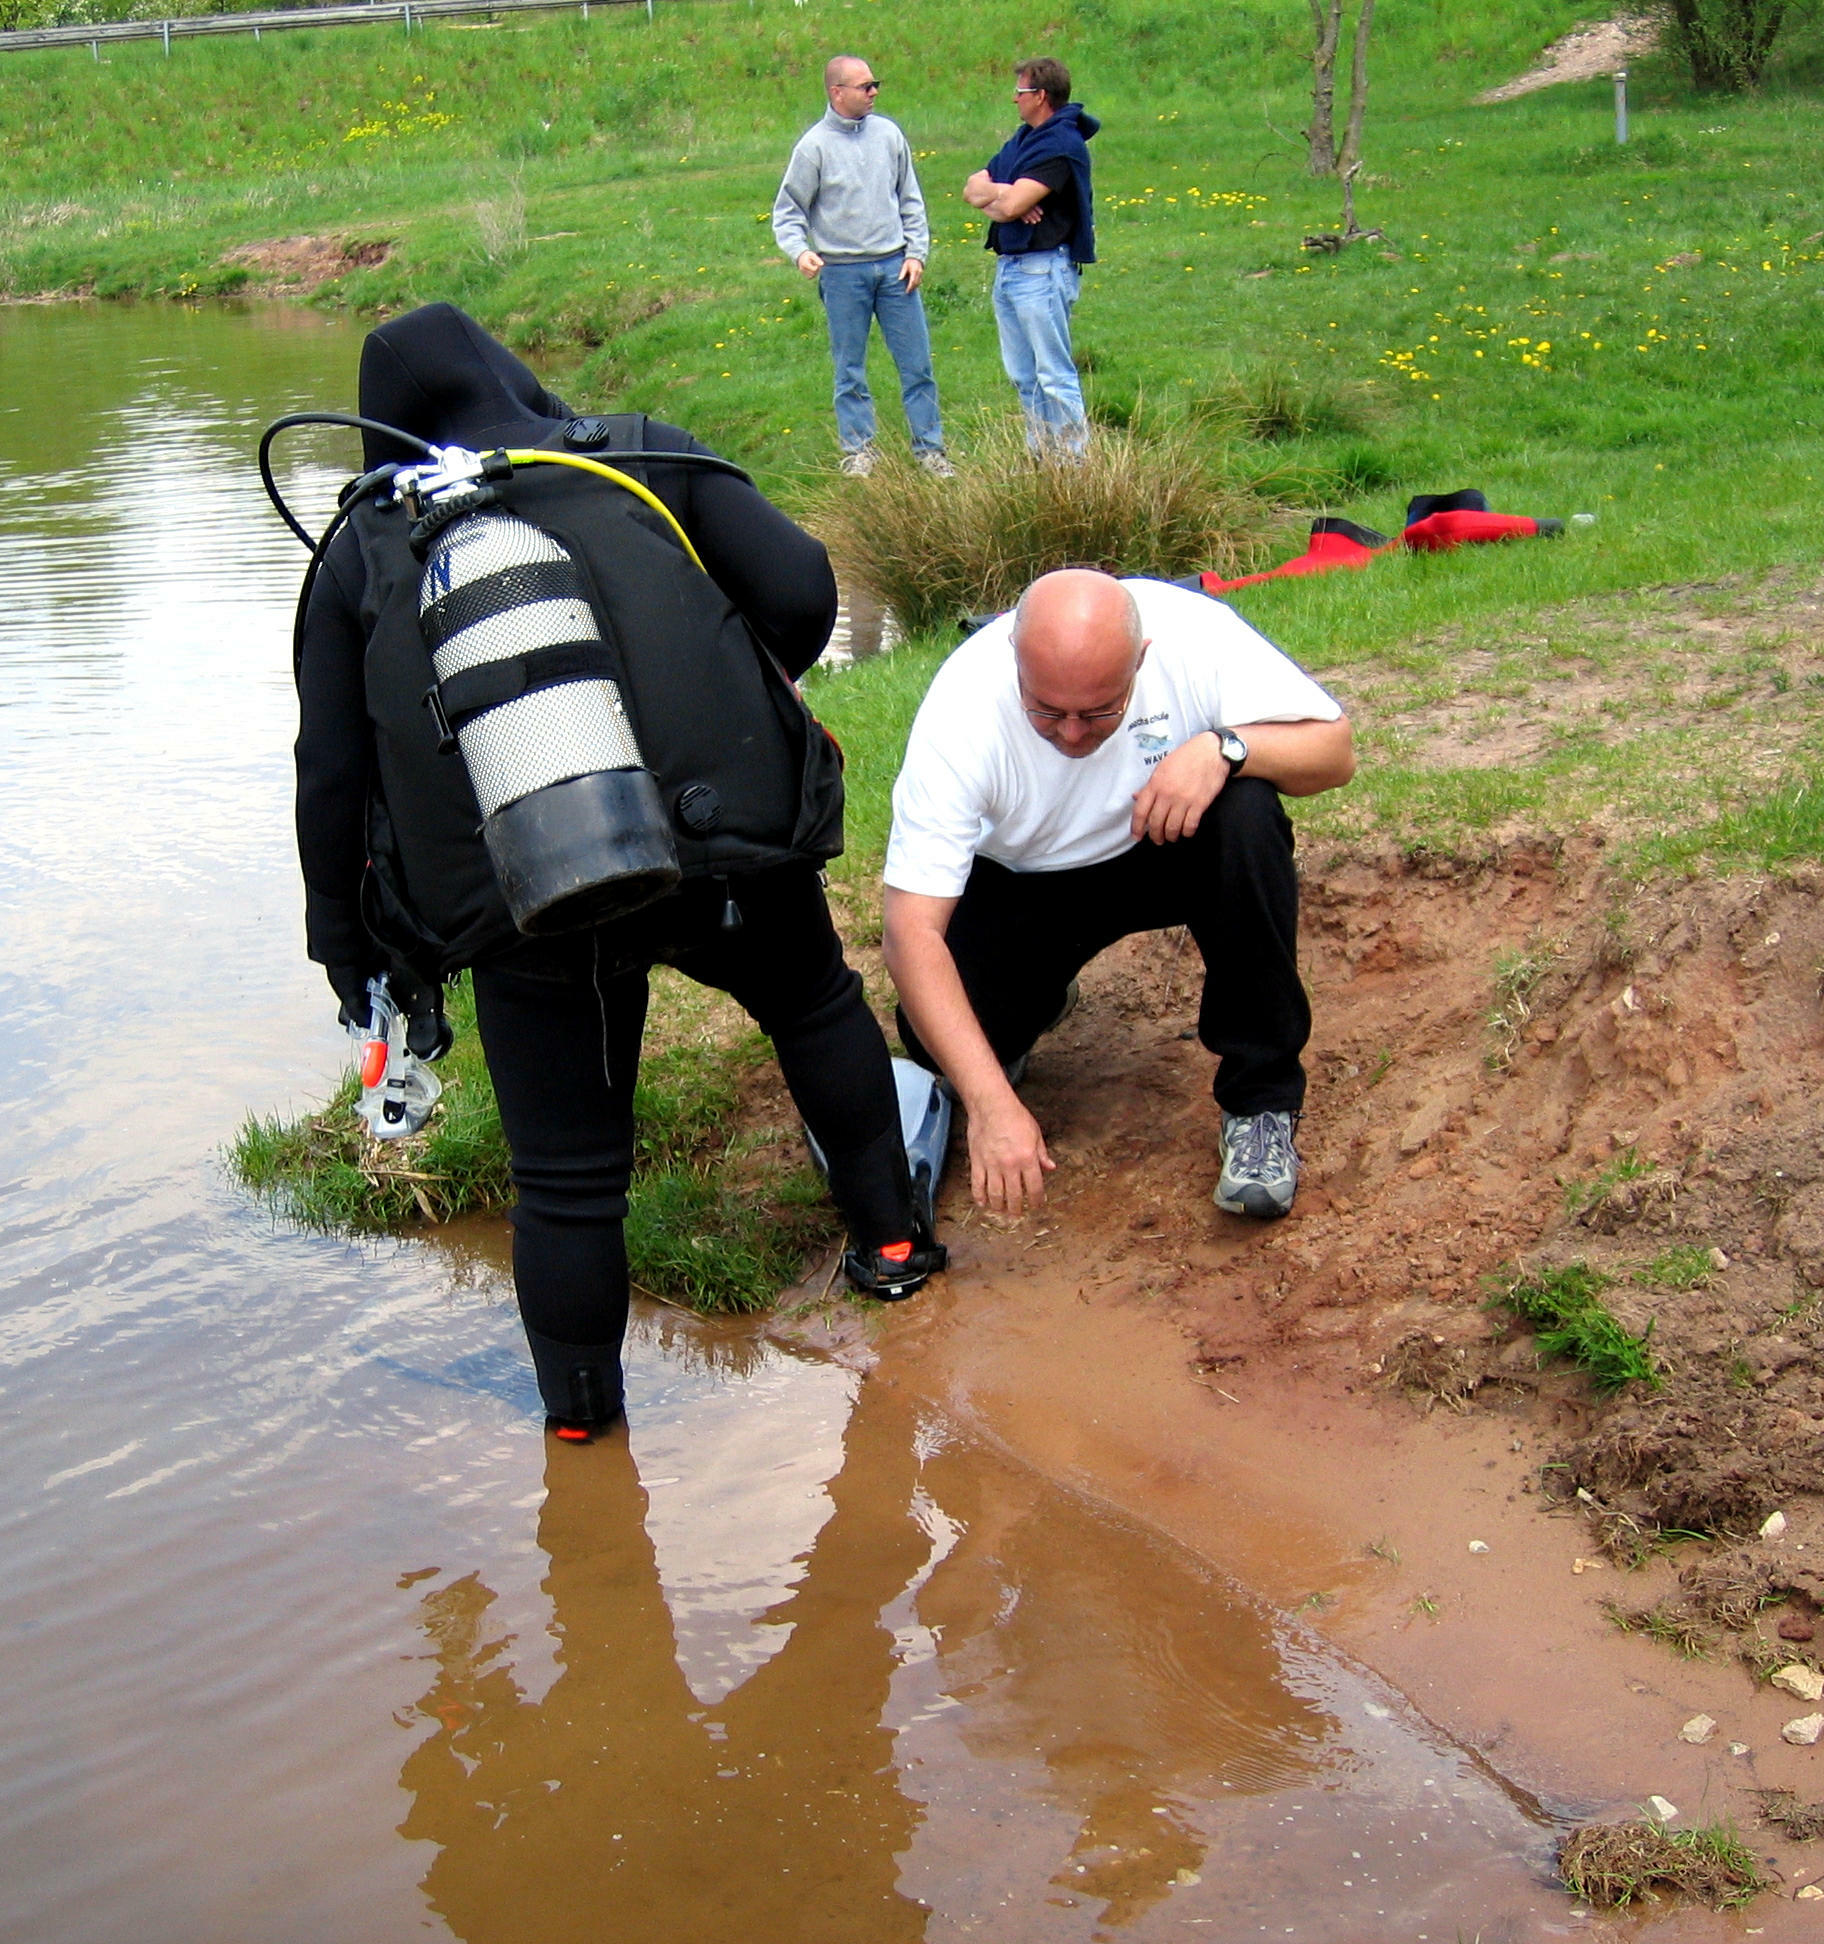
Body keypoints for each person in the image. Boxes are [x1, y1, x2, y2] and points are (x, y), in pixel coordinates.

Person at [293, 303, 943, 1445]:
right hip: (725, 847)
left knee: (565, 1179)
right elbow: (802, 592)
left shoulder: (361, 547)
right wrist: (731, 692)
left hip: (530, 893)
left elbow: (333, 775)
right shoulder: (637, 452)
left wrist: (346, 947)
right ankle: (891, 1245)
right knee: (811, 1006)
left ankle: (582, 1434)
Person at [878, 569, 1354, 1223]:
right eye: (1047, 711)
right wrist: (989, 1102)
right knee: (935, 1044)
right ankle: (1041, 997)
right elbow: (910, 931)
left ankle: (1261, 1103)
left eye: (1100, 711)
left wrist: (1226, 748)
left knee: (1247, 813)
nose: (1073, 734)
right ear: (1013, 654)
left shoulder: (1194, 634)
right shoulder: (962, 707)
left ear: (1141, 658)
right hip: (1025, 882)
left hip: (1162, 841)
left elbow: (1335, 752)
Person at [771, 54, 950, 478]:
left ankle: (930, 451)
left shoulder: (889, 134)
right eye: (865, 86)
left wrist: (916, 254)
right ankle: (859, 451)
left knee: (917, 366)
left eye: (875, 85)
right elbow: (788, 210)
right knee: (849, 370)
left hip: (896, 269)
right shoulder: (813, 147)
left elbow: (910, 199)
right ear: (837, 92)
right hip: (842, 274)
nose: (874, 92)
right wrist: (799, 251)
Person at [962, 57, 1099, 459]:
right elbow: (972, 188)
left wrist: (1003, 198)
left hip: (1042, 271)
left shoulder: (1061, 144)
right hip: (1010, 269)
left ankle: (1073, 465)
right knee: (1024, 376)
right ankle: (1042, 460)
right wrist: (1007, 193)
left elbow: (1007, 206)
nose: (1014, 99)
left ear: (1040, 96)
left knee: (1053, 374)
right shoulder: (1023, 140)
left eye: (1020, 92)